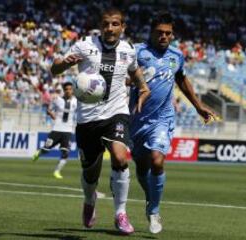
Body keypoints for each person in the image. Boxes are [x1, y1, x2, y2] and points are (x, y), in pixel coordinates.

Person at [51, 8, 150, 235]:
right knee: (90, 174)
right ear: (100, 26)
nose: (110, 28)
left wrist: (143, 86)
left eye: (115, 24)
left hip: (116, 113)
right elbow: (55, 69)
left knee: (119, 155)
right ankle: (89, 200)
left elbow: (134, 71)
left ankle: (120, 214)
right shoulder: (84, 46)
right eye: (106, 24)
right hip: (87, 119)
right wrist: (65, 64)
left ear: (122, 27)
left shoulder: (128, 50)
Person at [129, 11, 216, 234]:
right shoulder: (136, 52)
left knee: (157, 160)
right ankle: (150, 198)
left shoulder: (176, 55)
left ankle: (154, 210)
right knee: (141, 166)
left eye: (168, 33)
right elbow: (123, 76)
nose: (164, 37)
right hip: (136, 119)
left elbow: (181, 79)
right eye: (160, 32)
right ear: (151, 32)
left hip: (162, 119)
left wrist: (198, 106)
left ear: (172, 34)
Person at [31, 82, 78, 179]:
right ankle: (40, 152)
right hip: (57, 129)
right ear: (63, 90)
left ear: (72, 90)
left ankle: (57, 171)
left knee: (65, 152)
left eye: (70, 89)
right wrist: (51, 114)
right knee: (46, 150)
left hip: (68, 131)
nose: (68, 91)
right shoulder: (58, 100)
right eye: (66, 89)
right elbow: (48, 109)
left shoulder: (76, 102)